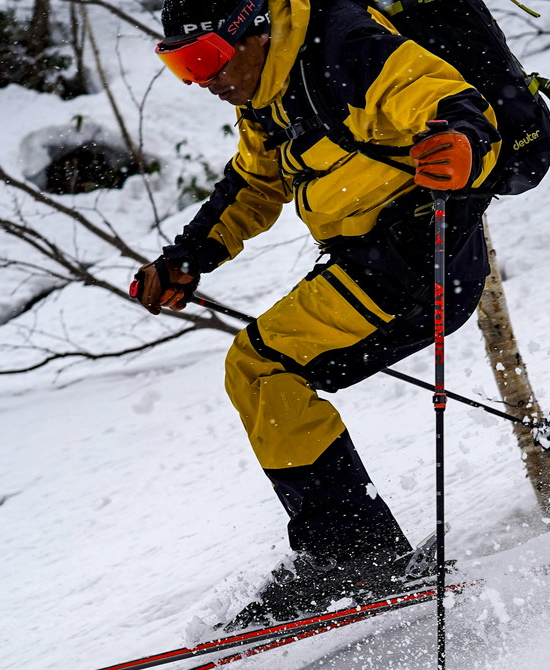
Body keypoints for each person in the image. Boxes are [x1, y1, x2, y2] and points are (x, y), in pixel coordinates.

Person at [134, 0, 501, 627]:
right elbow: (255, 184)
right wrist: (186, 260)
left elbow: (445, 99)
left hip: (419, 255)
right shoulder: (267, 90)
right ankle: (353, 556)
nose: (201, 81)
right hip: (369, 261)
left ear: (251, 29)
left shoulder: (343, 48)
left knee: (261, 367)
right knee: (260, 372)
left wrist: (464, 141)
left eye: (204, 59)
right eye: (180, 67)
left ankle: (354, 559)